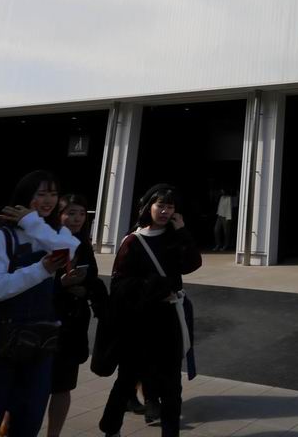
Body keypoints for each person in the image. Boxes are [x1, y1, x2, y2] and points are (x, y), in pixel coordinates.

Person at [0, 170, 80, 437]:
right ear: (26, 196)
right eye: (41, 194)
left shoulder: (56, 234)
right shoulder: (3, 238)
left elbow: (68, 250)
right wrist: (40, 269)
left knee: (29, 415)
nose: (49, 200)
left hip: (39, 338)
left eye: (53, 194)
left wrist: (32, 222)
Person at [98, 184, 202, 437]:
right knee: (127, 379)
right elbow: (119, 285)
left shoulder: (174, 236)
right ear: (148, 207)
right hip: (139, 322)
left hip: (169, 319)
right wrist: (157, 287)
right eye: (160, 205)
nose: (165, 211)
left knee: (172, 384)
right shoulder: (133, 241)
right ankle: (111, 428)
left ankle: (170, 432)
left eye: (170, 206)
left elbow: (192, 263)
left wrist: (183, 231)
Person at [46, 194, 102, 437]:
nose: (77, 218)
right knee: (33, 383)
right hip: (45, 323)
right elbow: (32, 281)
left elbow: (94, 276)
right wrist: (60, 285)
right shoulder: (47, 241)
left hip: (72, 325)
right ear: (58, 215)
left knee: (63, 386)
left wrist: (85, 288)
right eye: (70, 213)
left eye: (81, 213)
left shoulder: (83, 244)